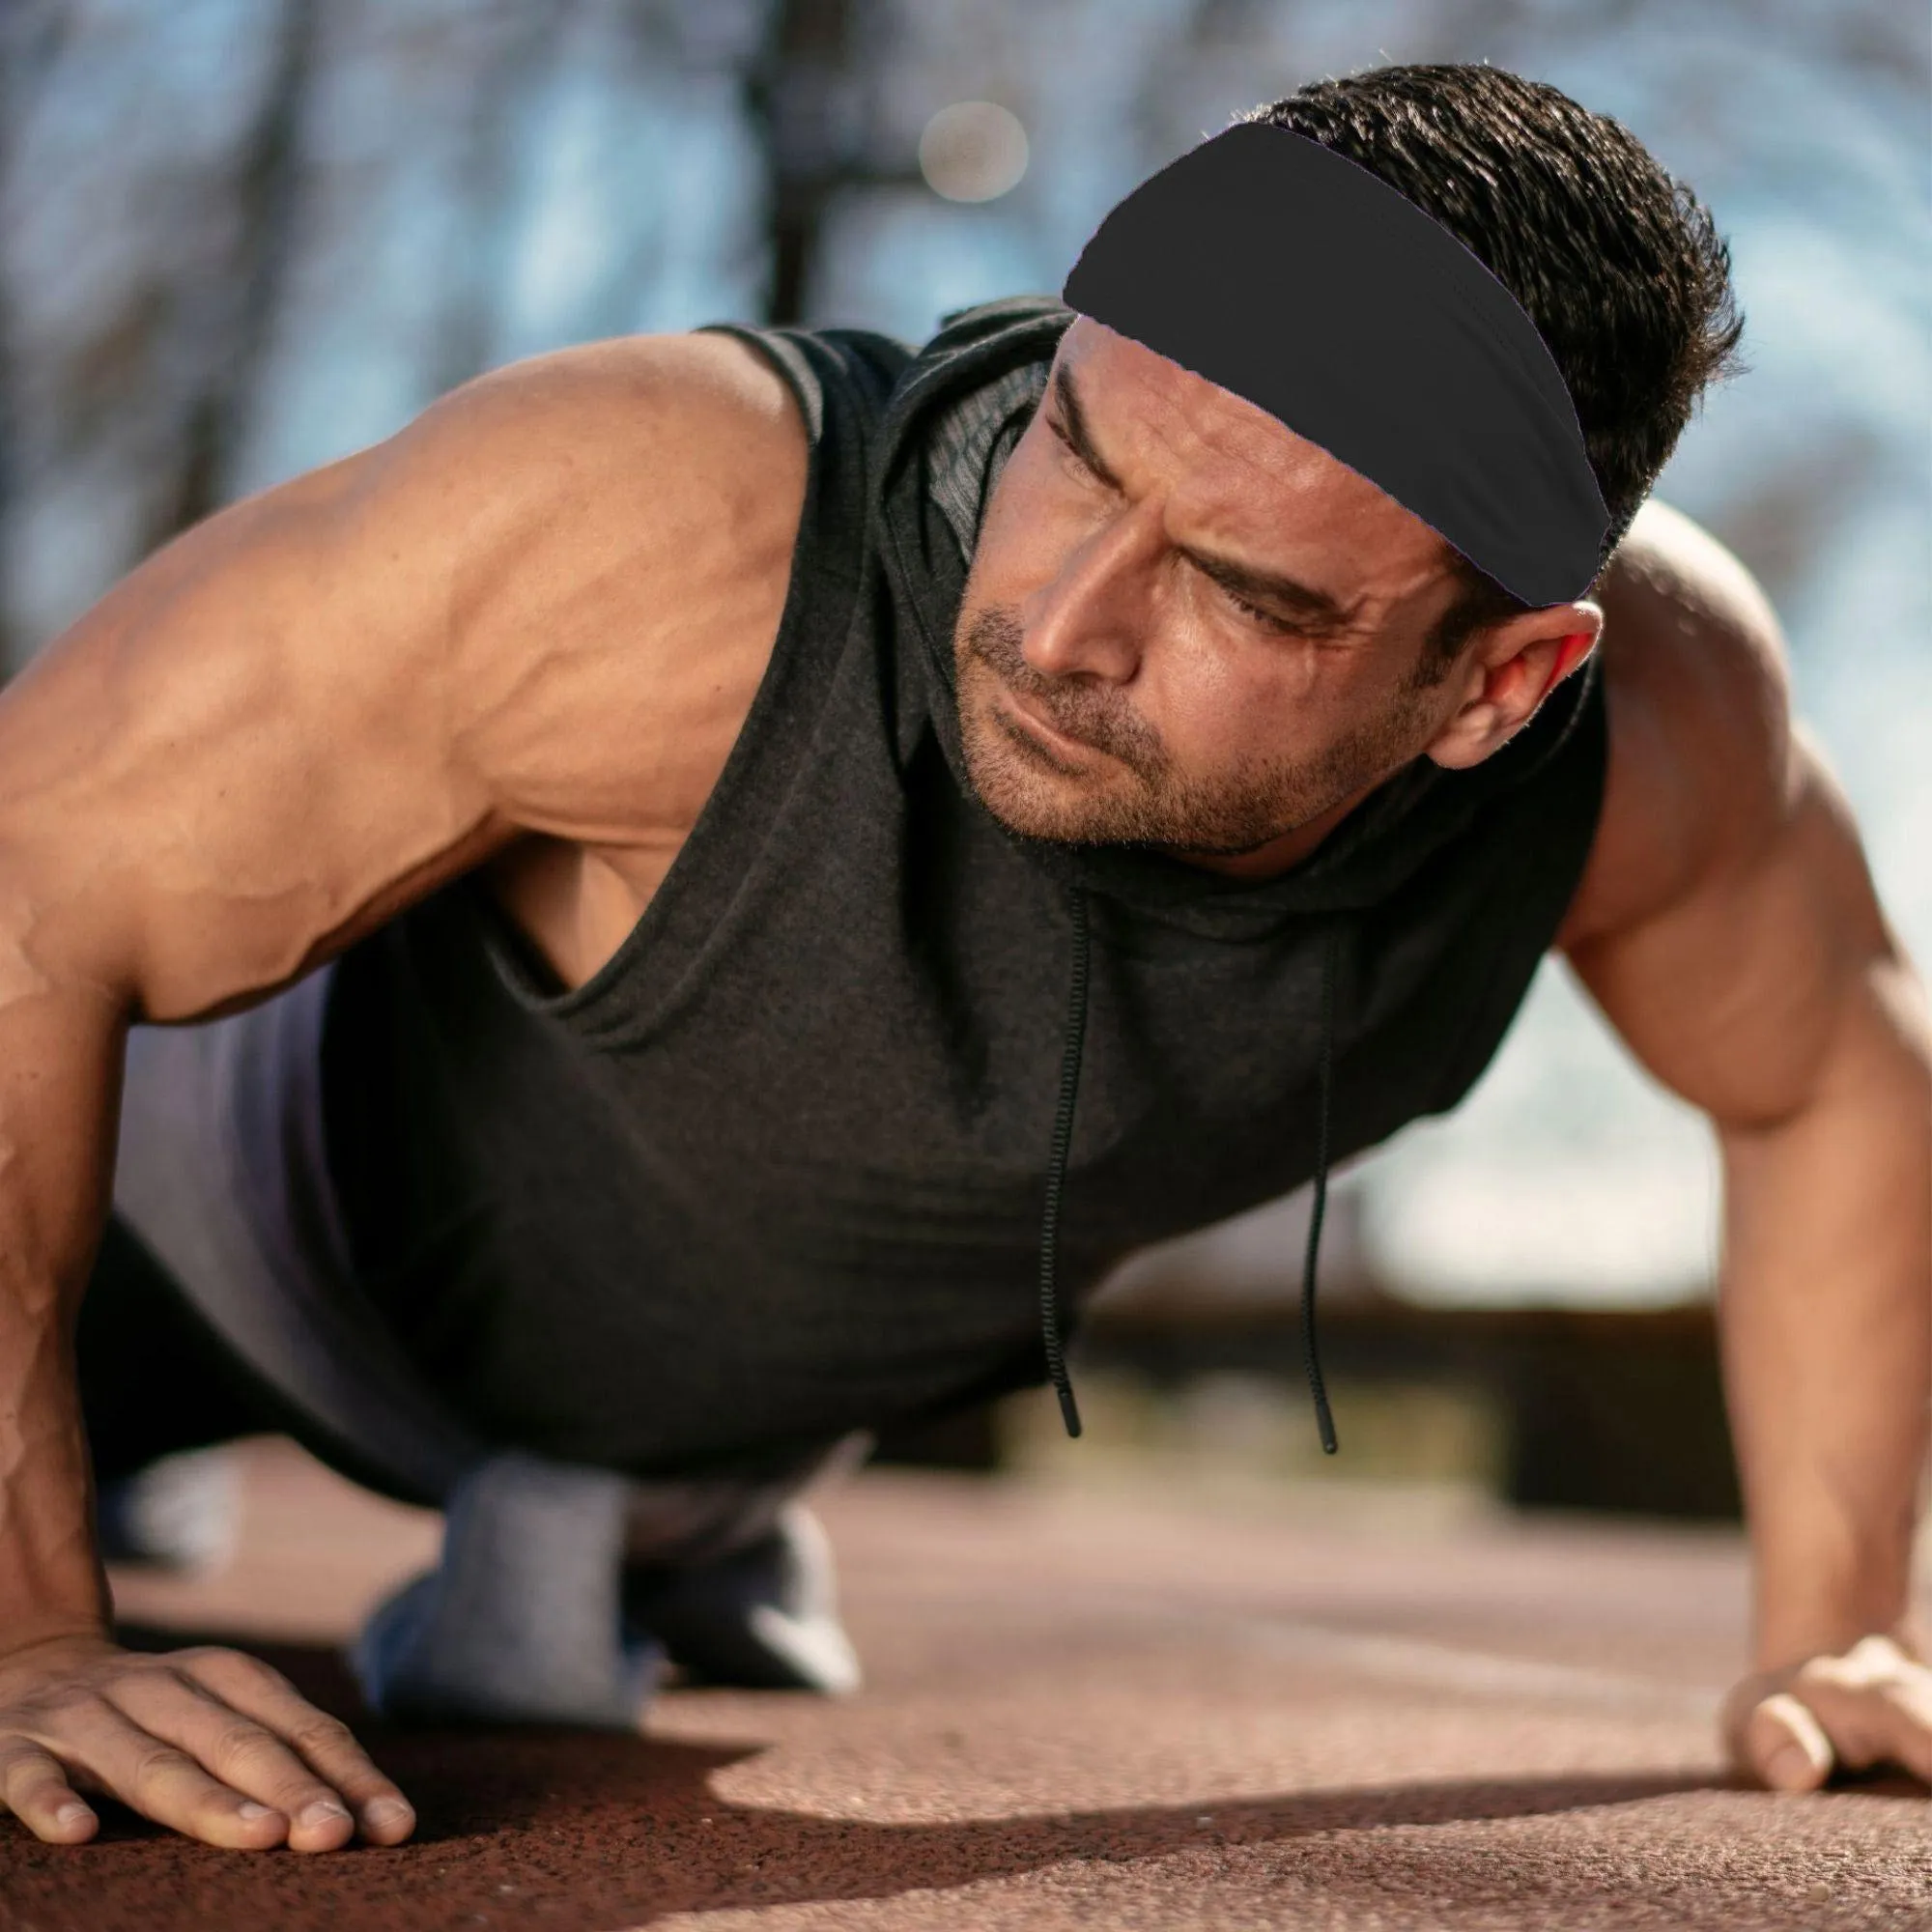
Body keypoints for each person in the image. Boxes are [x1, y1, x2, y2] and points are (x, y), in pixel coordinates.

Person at [1, 62, 1926, 1856]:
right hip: (206, 1237)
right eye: (1077, 456)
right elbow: (33, 867)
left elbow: (1834, 1069)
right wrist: (29, 1630)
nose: (1062, 619)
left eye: (1245, 592)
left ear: (1500, 684)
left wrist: (1833, 1628)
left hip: (695, 1434)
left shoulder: (1659, 732)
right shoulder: (658, 527)